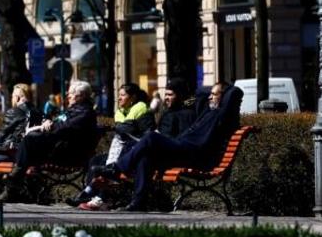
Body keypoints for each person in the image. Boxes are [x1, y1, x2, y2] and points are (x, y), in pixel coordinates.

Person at [100, 81, 243, 212]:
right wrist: (215, 91)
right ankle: (138, 202)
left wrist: (224, 93)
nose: (210, 97)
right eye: (210, 94)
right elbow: (200, 93)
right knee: (145, 156)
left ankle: (116, 168)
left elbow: (234, 93)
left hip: (195, 154)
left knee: (151, 137)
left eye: (214, 94)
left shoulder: (224, 116)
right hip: (184, 149)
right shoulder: (208, 111)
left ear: (224, 97)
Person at [0, 80, 98, 203]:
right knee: (30, 142)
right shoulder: (76, 110)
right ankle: (20, 186)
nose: (68, 96)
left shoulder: (85, 113)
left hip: (69, 154)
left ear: (81, 96)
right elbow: (61, 122)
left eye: (71, 93)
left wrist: (50, 125)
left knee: (30, 139)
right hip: (61, 147)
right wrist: (49, 123)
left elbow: (64, 127)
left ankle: (14, 182)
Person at [67, 82, 154, 208]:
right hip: (121, 151)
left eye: (123, 95)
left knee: (109, 164)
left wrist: (119, 129)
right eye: (118, 95)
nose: (119, 98)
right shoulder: (121, 111)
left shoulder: (142, 109)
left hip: (135, 153)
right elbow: (121, 130)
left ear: (133, 97)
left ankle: (99, 198)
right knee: (96, 161)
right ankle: (90, 194)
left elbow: (146, 135)